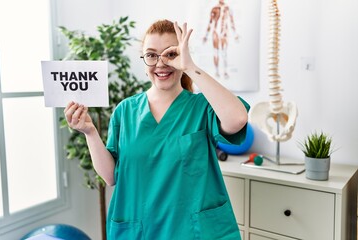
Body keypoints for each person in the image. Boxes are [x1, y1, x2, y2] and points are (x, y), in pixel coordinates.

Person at [64, 19, 249, 240]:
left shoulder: (201, 108)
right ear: (144, 61)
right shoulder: (125, 111)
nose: (160, 63)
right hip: (141, 229)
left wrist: (191, 67)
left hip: (191, 232)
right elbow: (111, 177)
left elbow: (237, 119)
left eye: (170, 54)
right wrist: (90, 132)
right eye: (151, 55)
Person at [203, 0, 239, 79]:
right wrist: (206, 35)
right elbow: (210, 22)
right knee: (216, 52)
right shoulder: (215, 8)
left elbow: (231, 22)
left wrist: (235, 34)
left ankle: (225, 71)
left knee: (224, 53)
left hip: (224, 33)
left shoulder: (228, 8)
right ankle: (217, 71)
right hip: (216, 33)